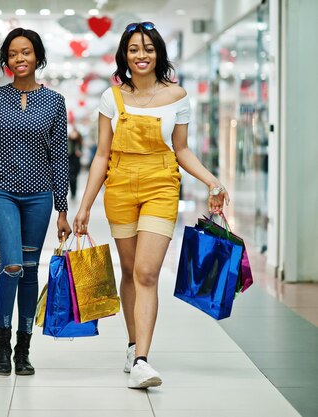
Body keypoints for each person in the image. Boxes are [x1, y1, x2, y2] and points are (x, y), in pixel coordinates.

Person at [73, 22, 229, 389]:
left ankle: (143, 358)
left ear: (158, 53)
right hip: (120, 186)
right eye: (133, 50)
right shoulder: (112, 98)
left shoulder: (178, 96)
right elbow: (101, 155)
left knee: (146, 272)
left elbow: (183, 149)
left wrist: (212, 180)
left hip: (161, 184)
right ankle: (132, 345)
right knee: (128, 271)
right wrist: (84, 206)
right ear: (124, 56)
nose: (141, 55)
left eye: (147, 49)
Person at [0, 27, 72, 377]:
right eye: (13, 53)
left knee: (29, 271)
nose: (20, 58)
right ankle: (2, 343)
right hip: (2, 193)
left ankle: (23, 350)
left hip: (41, 196)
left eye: (26, 52)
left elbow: (59, 156)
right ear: (6, 60)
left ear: (37, 56)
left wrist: (62, 208)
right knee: (11, 265)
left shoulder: (55, 101)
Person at [67, 125, 83, 199]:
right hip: (69, 161)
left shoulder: (79, 141)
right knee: (71, 178)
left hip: (76, 162)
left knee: (75, 178)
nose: (74, 134)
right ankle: (72, 192)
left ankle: (74, 193)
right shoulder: (68, 141)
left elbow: (81, 151)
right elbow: (67, 151)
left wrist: (79, 153)